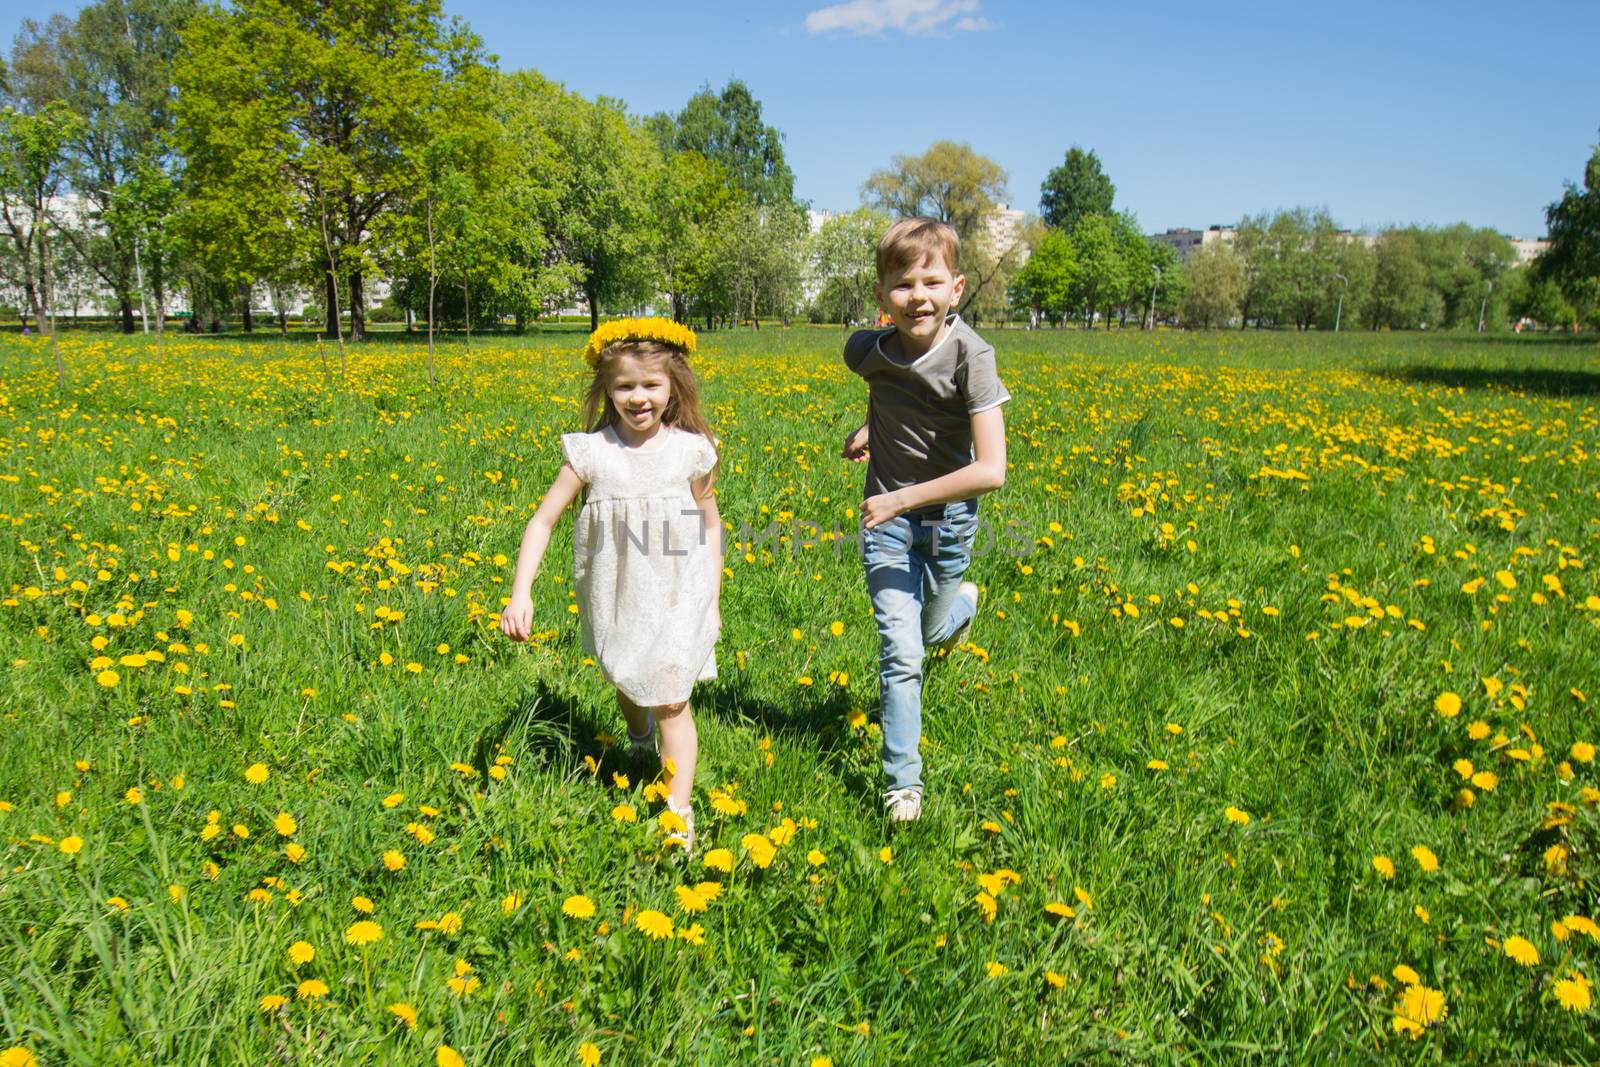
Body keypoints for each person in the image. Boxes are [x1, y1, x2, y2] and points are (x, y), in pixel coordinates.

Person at [501, 318, 721, 852]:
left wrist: (710, 592)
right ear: (606, 389)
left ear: (674, 387)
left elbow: (709, 520)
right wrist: (520, 592)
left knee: (672, 698)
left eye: (651, 385)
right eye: (625, 386)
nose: (638, 397)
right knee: (626, 680)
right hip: (616, 594)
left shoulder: (690, 450)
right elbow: (542, 521)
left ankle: (677, 811)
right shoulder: (591, 454)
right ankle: (639, 739)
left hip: (679, 592)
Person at [841, 218, 1009, 824]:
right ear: (882, 296)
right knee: (900, 652)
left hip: (948, 523)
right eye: (903, 283)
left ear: (957, 288)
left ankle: (962, 604)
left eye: (932, 281)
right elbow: (888, 390)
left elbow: (991, 470)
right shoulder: (867, 350)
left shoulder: (973, 357)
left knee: (934, 631)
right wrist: (871, 430)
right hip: (884, 525)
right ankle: (902, 785)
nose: (919, 295)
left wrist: (902, 498)